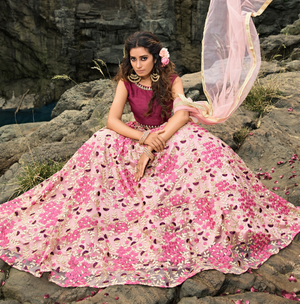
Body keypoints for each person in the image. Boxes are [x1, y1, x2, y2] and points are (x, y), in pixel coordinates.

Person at [0, 30, 300, 290]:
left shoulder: (171, 79)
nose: (138, 64)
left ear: (156, 58)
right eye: (133, 59)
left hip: (172, 133)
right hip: (140, 134)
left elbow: (182, 113)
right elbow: (112, 121)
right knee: (100, 141)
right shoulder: (126, 82)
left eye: (143, 58)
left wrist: (156, 144)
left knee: (210, 153)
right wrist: (143, 139)